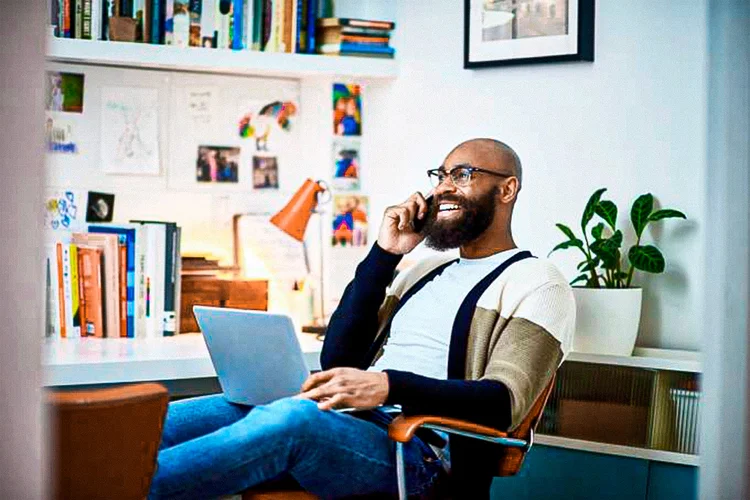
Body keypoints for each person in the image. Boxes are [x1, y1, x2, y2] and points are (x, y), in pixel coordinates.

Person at [148, 138, 575, 500]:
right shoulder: (421, 270)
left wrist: (388, 385)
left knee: (292, 421)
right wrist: (386, 253)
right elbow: (340, 355)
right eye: (440, 175)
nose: (444, 188)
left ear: (507, 190)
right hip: (346, 420)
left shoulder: (537, 283)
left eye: (462, 175)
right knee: (161, 422)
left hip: (418, 454)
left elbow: (502, 402)